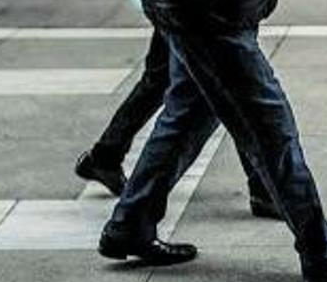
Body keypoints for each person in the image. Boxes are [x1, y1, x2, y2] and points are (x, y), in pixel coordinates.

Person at [98, 0, 327, 282]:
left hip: (214, 5)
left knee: (190, 116)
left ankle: (131, 223)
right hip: (206, 10)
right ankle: (321, 253)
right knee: (270, 129)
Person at [74, 27, 279, 222]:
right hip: (201, 5)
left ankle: (107, 156)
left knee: (164, 77)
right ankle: (264, 187)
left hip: (179, 1)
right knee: (232, 79)